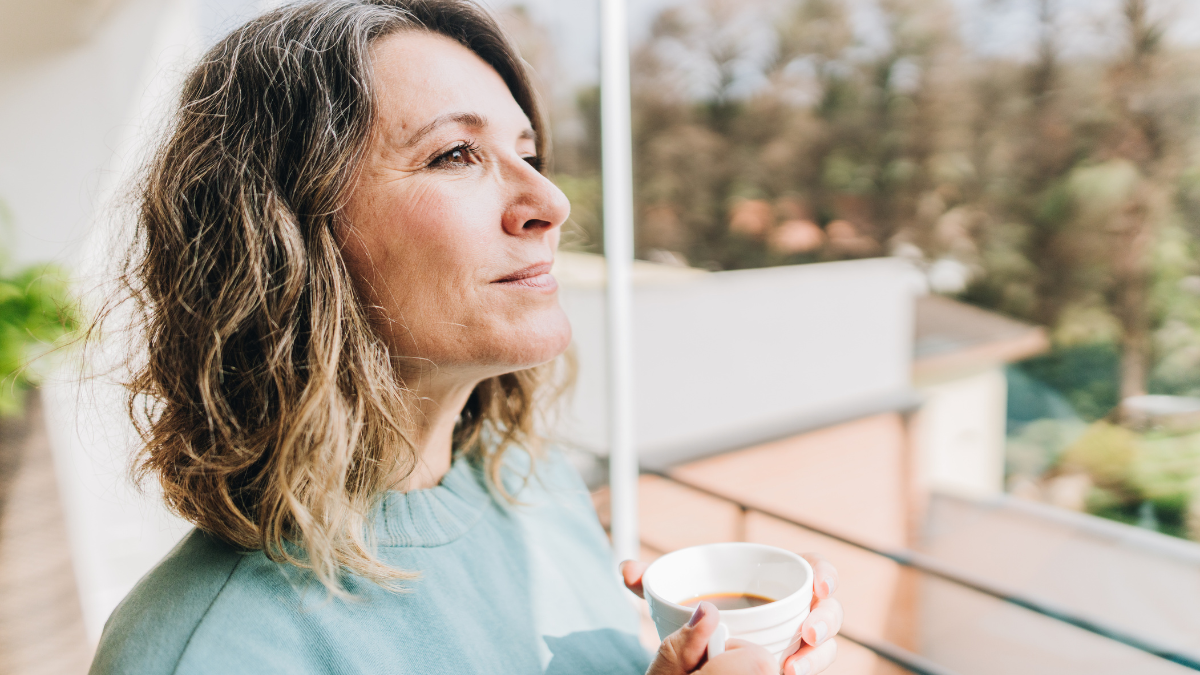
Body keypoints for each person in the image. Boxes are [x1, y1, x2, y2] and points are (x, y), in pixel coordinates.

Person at [87, 1, 843, 673]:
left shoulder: (535, 486)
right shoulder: (206, 651)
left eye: (529, 154)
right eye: (456, 155)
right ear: (282, 234)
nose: (549, 200)